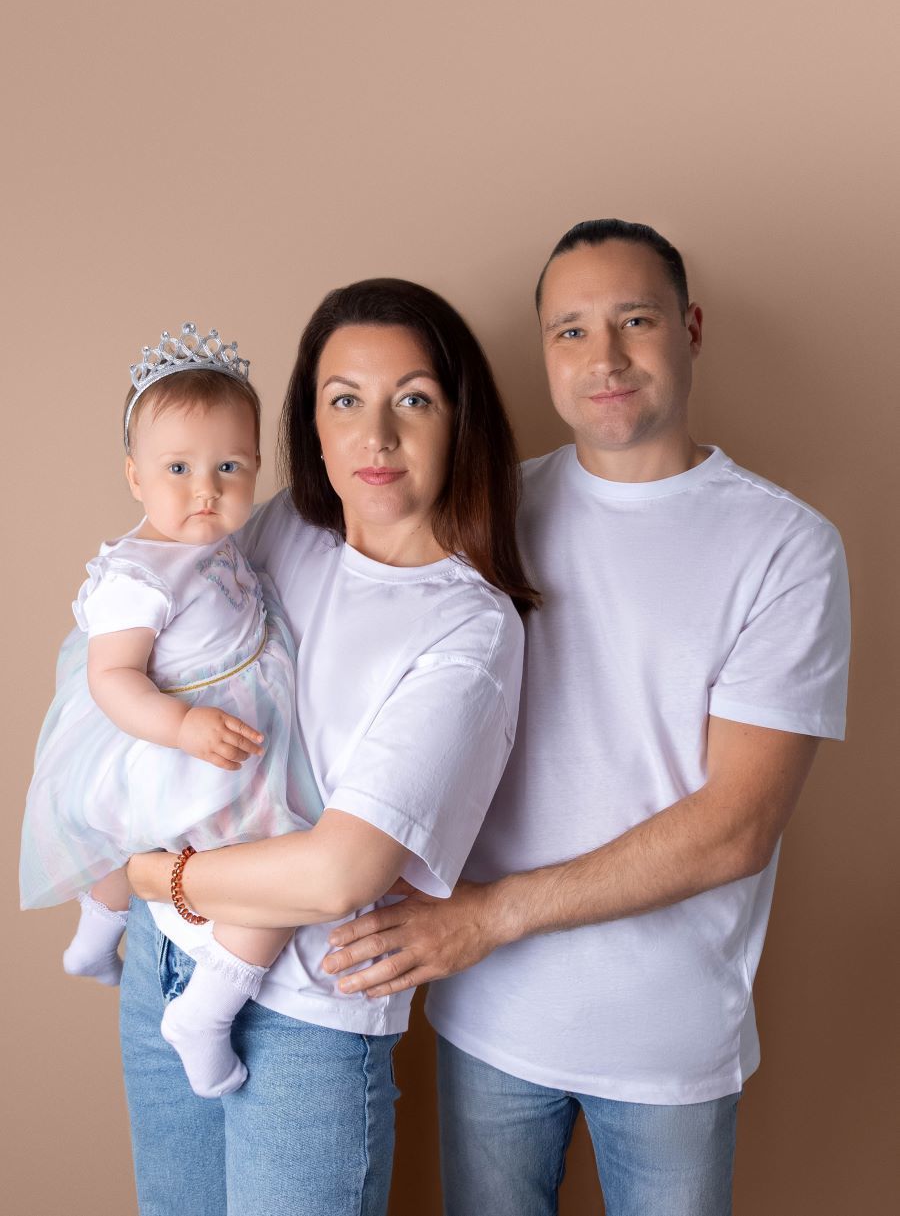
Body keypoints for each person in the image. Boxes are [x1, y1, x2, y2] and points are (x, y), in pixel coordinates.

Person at [323, 221, 852, 1216]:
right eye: (570, 331)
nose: (603, 357)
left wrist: (488, 917)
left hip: (668, 1045)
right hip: (486, 1023)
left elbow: (737, 826)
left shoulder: (787, 547)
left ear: (689, 329)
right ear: (545, 356)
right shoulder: (488, 515)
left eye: (634, 321)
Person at [125, 277, 535, 1215]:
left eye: (414, 400)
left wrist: (155, 875)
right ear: (310, 423)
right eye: (344, 399)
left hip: (305, 1014)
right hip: (164, 968)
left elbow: (336, 875)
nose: (375, 435)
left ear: (459, 420)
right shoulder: (281, 531)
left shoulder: (471, 631)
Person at [20, 324, 322, 1099]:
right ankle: (206, 1011)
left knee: (134, 847)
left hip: (218, 733)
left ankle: (96, 936)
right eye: (179, 468)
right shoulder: (138, 576)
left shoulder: (220, 544)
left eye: (230, 467)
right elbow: (112, 677)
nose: (205, 490)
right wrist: (184, 727)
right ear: (134, 475)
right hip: (173, 739)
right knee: (281, 867)